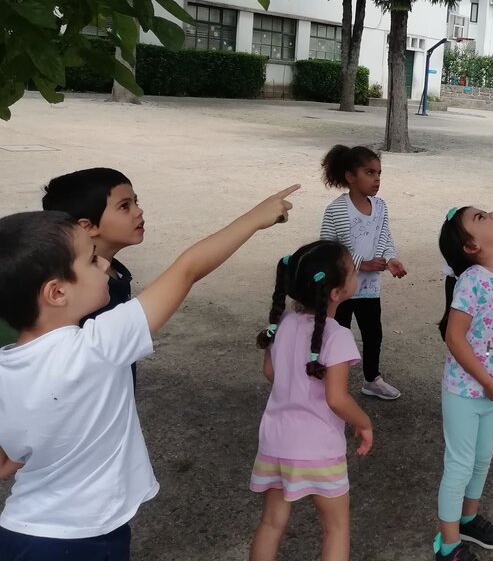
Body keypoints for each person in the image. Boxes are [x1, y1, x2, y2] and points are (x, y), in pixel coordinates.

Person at [0, 185, 298, 560]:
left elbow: (6, 460)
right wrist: (255, 218)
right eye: (92, 261)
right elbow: (187, 269)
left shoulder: (6, 366)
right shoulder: (98, 346)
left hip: (19, 531)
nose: (105, 264)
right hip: (82, 540)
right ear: (56, 293)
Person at [248, 240, 374, 561]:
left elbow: (270, 372)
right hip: (319, 450)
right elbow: (336, 398)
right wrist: (364, 422)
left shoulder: (283, 324)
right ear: (335, 293)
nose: (356, 271)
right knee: (335, 528)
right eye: (352, 268)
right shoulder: (338, 335)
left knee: (272, 523)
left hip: (275, 443)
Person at [434, 206, 493, 561]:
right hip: (464, 390)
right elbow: (454, 337)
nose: (491, 212)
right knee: (459, 463)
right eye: (479, 218)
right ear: (471, 247)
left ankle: (468, 519)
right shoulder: (473, 281)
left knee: (483, 458)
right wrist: (487, 381)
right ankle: (447, 546)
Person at [41, 167, 145, 385]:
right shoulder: (76, 294)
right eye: (125, 206)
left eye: (136, 201)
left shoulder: (114, 271)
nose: (139, 212)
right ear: (86, 227)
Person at [320, 145, 406, 400]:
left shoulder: (380, 207)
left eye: (379, 173)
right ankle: (333, 382)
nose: (377, 179)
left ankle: (371, 379)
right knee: (337, 335)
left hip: (369, 289)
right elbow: (326, 251)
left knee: (373, 335)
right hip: (341, 290)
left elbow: (384, 238)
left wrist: (390, 259)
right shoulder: (336, 209)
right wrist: (361, 263)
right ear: (350, 177)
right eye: (369, 172)